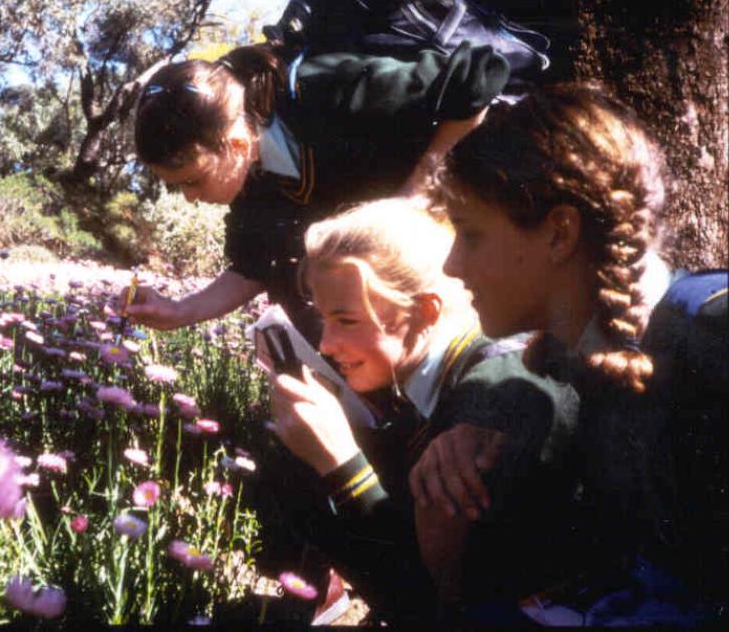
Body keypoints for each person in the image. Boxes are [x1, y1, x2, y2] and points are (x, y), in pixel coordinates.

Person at [411, 82, 710, 624]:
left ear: (559, 233)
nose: (452, 265)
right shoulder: (590, 364)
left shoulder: (709, 345)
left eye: (470, 234)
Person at [263, 196, 577, 622]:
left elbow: (432, 605)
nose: (325, 344)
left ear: (427, 311)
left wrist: (341, 465)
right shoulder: (435, 379)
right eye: (324, 319)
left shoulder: (485, 411)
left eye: (347, 320)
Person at [123, 40, 510, 343]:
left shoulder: (327, 90)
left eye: (194, 180)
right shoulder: (253, 175)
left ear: (236, 144)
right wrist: (180, 311)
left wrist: (414, 199)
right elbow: (254, 265)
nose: (191, 197)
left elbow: (480, 76)